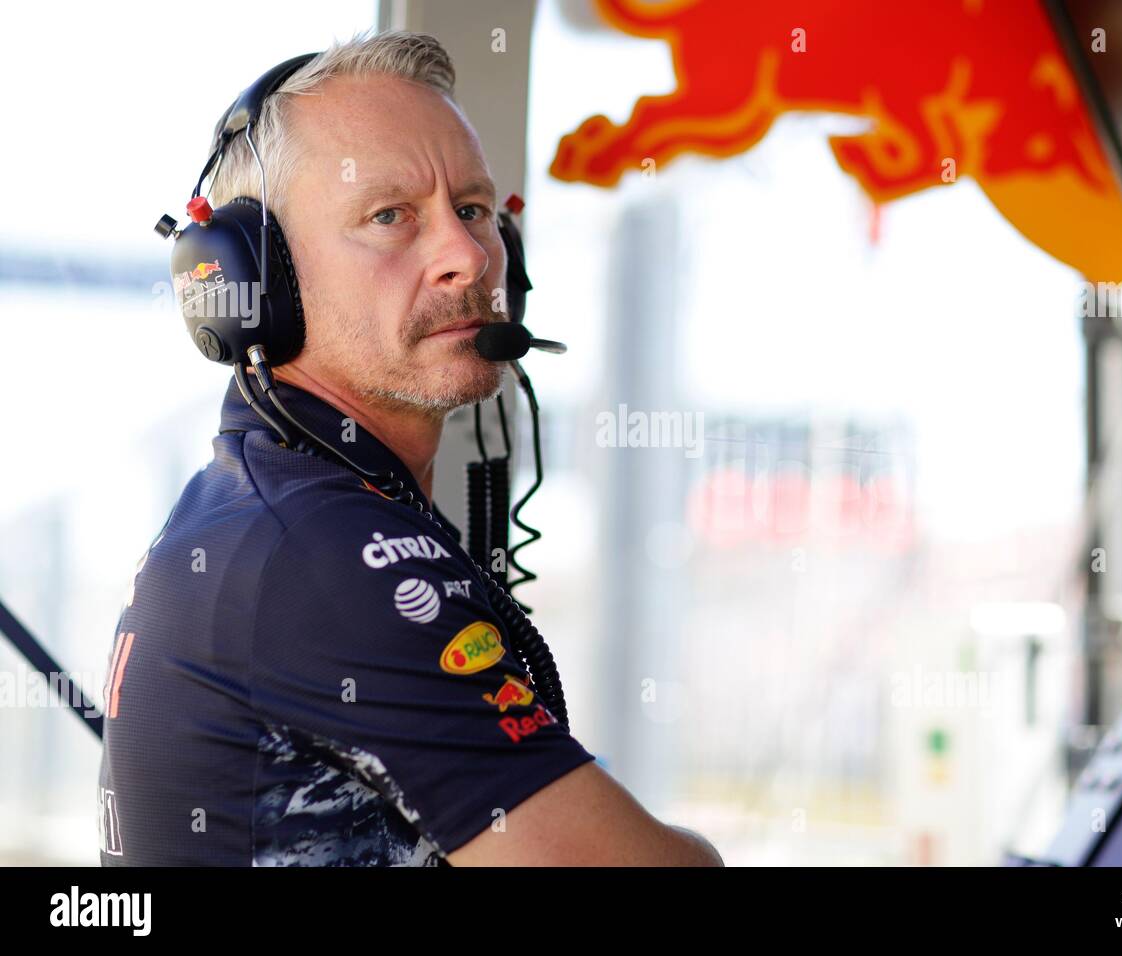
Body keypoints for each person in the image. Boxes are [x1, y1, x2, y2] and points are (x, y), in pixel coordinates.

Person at [97, 30, 721, 867]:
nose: (467, 255)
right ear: (256, 283)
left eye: (472, 209)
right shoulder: (325, 556)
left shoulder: (260, 506)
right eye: (390, 216)